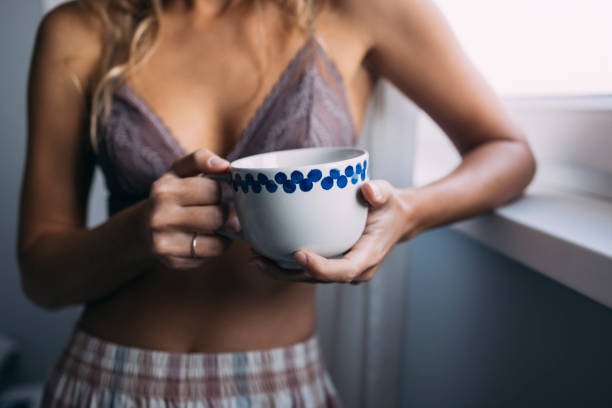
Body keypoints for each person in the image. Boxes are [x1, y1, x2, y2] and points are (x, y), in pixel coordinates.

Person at [19, 0, 535, 406]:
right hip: (107, 381)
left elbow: (509, 152)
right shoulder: (79, 27)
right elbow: (41, 277)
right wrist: (136, 234)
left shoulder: (355, 7)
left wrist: (407, 216)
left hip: (280, 387)